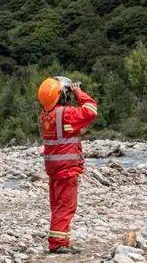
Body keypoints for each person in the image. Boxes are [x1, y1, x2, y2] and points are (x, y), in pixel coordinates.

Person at [37, 76, 98, 254]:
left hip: (53, 168)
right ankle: (57, 243)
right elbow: (91, 109)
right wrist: (78, 91)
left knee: (58, 205)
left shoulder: (45, 115)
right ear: (61, 95)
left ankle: (62, 239)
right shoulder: (67, 114)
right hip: (66, 168)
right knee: (66, 206)